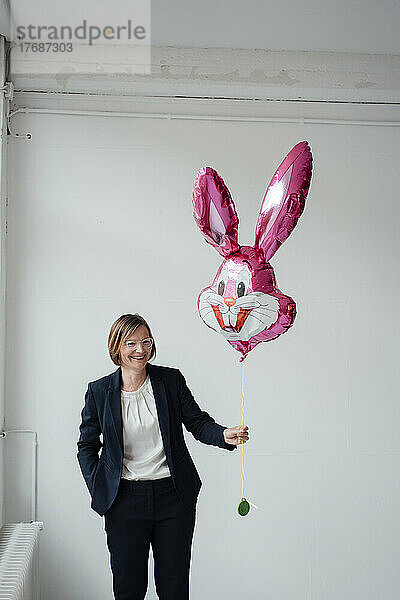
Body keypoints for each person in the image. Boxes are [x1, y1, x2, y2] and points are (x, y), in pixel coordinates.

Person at [77, 313, 249, 600]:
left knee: (174, 587)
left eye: (146, 341)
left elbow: (197, 422)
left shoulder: (170, 380)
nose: (140, 350)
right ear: (116, 346)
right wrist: (100, 486)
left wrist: (222, 435)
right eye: (131, 343)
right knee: (128, 588)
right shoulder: (99, 391)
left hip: (173, 497)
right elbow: (87, 446)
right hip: (124, 500)